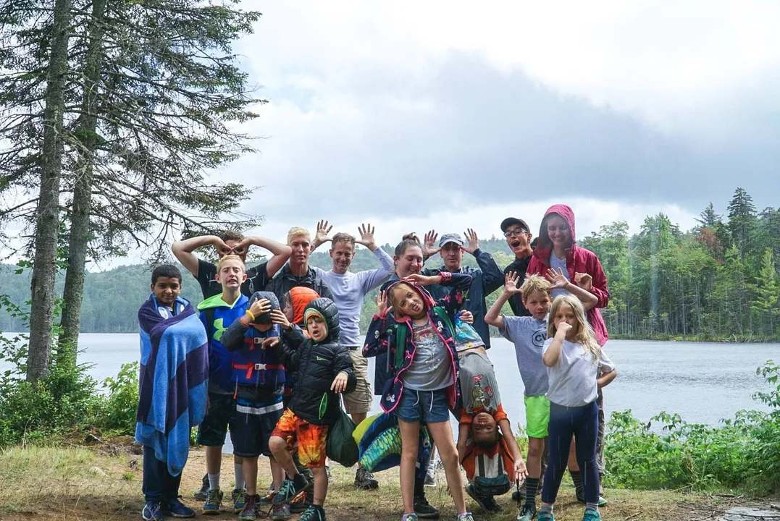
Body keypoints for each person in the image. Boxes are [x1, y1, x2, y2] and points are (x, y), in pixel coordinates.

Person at [364, 272, 476, 521]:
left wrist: (433, 280)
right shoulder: (397, 328)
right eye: (402, 302)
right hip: (408, 394)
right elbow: (369, 348)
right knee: (410, 452)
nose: (410, 303)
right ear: (398, 310)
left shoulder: (441, 311)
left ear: (419, 292)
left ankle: (463, 512)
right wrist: (380, 316)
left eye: (411, 295)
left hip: (436, 394)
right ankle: (409, 512)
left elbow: (466, 282)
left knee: (450, 453)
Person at [485, 272, 596, 521]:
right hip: (536, 396)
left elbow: (590, 301)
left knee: (572, 447)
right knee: (536, 448)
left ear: (551, 300)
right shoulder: (518, 325)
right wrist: (506, 292)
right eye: (533, 302)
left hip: (564, 396)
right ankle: (529, 501)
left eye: (544, 301)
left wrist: (567, 286)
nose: (539, 306)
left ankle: (582, 490)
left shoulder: (559, 320)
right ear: (525, 303)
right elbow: (489, 317)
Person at [526, 204, 611, 504]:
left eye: (562, 226)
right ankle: (541, 485)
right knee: (555, 414)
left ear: (571, 228)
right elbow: (531, 293)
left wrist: (573, 286)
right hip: (552, 341)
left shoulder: (587, 257)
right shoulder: (538, 260)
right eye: (551, 227)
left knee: (592, 413)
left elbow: (603, 297)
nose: (557, 232)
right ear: (544, 230)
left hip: (585, 337)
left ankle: (591, 485)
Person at [310, 221, 394, 490]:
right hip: (323, 351)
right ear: (331, 253)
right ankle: (319, 468)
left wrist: (373, 245)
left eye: (348, 253)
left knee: (359, 409)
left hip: (352, 351)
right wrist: (316, 242)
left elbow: (390, 269)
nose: (343, 257)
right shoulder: (320, 277)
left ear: (353, 256)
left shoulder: (359, 280)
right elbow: (295, 264)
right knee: (319, 410)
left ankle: (363, 469)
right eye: (339, 252)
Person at [268, 298, 357, 521]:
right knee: (275, 443)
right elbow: (293, 361)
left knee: (317, 467)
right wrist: (278, 345)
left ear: (331, 323)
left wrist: (344, 375)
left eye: (319, 321)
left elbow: (349, 371)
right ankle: (296, 479)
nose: (314, 326)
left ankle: (317, 507)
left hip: (317, 418)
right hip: (295, 410)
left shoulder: (338, 351)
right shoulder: (307, 345)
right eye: (310, 322)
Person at [373, 234, 439, 519]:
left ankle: (418, 495)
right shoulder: (390, 293)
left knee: (426, 440)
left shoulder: (425, 291)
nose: (415, 264)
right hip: (399, 381)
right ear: (396, 261)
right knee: (408, 441)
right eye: (409, 259)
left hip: (429, 380)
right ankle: (412, 500)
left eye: (419, 259)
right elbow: (378, 340)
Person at [136, 265, 208, 521]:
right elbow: (162, 333)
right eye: (162, 286)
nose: (168, 291)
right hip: (156, 385)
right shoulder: (147, 312)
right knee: (156, 439)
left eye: (174, 286)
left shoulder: (187, 310)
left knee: (178, 436)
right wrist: (186, 330)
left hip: (183, 385)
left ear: (180, 288)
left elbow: (198, 338)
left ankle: (171, 497)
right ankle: (153, 500)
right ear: (152, 287)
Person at [537, 295, 616, 521]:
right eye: (560, 316)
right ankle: (546, 509)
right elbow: (549, 361)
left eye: (570, 316)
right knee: (556, 461)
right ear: (552, 320)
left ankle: (591, 507)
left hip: (586, 411)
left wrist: (597, 384)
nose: (565, 320)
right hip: (560, 411)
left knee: (587, 459)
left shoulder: (589, 345)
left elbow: (611, 370)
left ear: (579, 319)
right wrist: (559, 335)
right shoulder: (551, 345)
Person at [220, 292, 287, 521]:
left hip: (273, 401)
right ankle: (250, 497)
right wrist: (247, 317)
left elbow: (302, 351)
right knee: (247, 452)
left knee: (275, 452)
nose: (263, 327)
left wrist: (284, 337)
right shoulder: (242, 329)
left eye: (268, 322)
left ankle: (279, 497)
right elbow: (226, 341)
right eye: (259, 321)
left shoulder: (283, 332)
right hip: (245, 402)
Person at [453, 311, 528, 514]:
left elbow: (461, 443)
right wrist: (518, 458)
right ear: (496, 427)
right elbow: (510, 437)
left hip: (457, 350)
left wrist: (455, 471)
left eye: (479, 428)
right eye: (488, 427)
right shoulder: (496, 410)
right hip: (476, 345)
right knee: (465, 316)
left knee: (453, 316)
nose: (483, 422)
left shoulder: (468, 415)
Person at [195, 255, 252, 514]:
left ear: (245, 277)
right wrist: (202, 387)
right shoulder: (206, 308)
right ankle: (214, 489)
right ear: (217, 277)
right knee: (213, 440)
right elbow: (200, 349)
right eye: (226, 270)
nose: (231, 274)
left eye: (236, 270)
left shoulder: (253, 307)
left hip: (244, 387)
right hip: (215, 386)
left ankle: (240, 489)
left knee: (242, 442)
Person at [422, 229, 503, 348]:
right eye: (447, 249)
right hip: (441, 344)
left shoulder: (475, 277)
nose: (451, 253)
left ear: (462, 252)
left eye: (455, 249)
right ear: (440, 253)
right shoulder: (431, 278)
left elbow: (498, 278)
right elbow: (407, 280)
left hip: (474, 344)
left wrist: (477, 252)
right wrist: (423, 256)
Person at [172, 230, 292, 299]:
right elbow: (178, 248)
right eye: (226, 249)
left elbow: (285, 252)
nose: (232, 253)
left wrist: (251, 240)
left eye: (238, 249)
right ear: (219, 253)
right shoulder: (209, 273)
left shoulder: (255, 275)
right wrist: (213, 240)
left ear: (245, 253)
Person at [265, 226, 334, 301]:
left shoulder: (320, 287)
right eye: (295, 245)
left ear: (311, 248)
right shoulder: (275, 285)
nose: (301, 249)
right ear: (288, 248)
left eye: (305, 245)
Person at [499, 217, 534, 317]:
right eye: (508, 234)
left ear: (529, 236)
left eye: (518, 232)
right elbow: (516, 308)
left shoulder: (543, 261)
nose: (513, 236)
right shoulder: (510, 272)